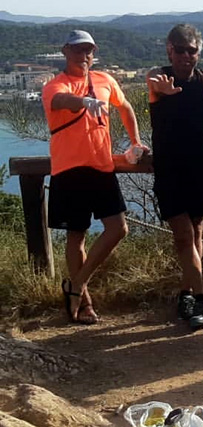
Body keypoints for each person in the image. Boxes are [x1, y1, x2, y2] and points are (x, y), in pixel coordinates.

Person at [42, 30, 147, 324]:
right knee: (76, 237)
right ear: (65, 51)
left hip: (101, 167)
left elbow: (125, 107)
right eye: (77, 50)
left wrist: (135, 142)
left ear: (94, 52)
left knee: (118, 229)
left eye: (88, 50)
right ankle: (84, 303)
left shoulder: (104, 80)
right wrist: (83, 102)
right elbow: (62, 101)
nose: (83, 56)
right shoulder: (55, 85)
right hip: (70, 169)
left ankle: (76, 284)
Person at [147, 24, 203, 330]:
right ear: (169, 49)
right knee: (184, 235)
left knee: (197, 233)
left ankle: (186, 294)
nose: (186, 56)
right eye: (180, 50)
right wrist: (162, 91)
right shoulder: (158, 75)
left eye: (192, 51)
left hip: (198, 164)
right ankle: (202, 298)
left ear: (199, 52)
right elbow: (150, 81)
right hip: (169, 167)